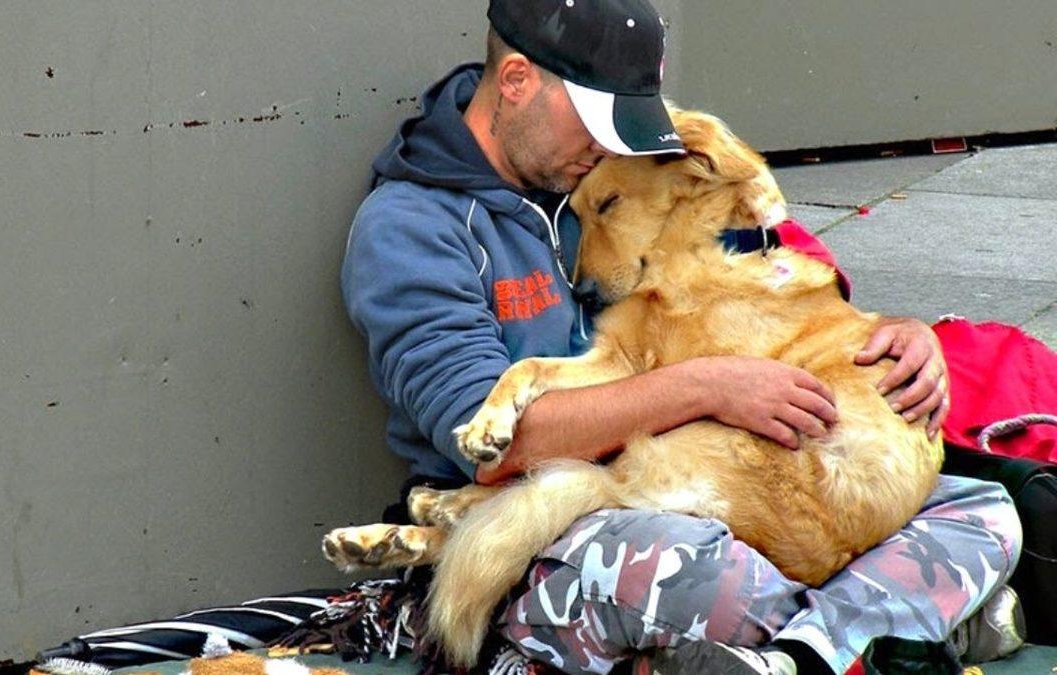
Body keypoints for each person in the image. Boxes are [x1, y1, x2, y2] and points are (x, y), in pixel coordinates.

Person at [341, 1, 1023, 673]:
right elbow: (497, 447)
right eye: (596, 121)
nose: (609, 148)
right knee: (709, 579)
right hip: (542, 520)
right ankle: (890, 627)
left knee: (986, 506)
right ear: (517, 81)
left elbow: (763, 271)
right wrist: (707, 387)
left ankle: (802, 652)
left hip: (718, 474)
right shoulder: (410, 229)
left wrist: (899, 337)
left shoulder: (586, 162)